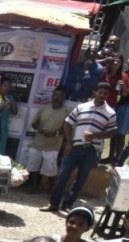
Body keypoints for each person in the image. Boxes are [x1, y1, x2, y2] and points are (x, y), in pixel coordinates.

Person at [43, 82, 116, 213]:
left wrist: (96, 135)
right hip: (75, 147)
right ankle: (53, 203)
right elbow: (67, 124)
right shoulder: (82, 107)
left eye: (105, 93)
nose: (102, 95)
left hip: (93, 150)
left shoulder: (110, 113)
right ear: (95, 92)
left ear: (108, 95)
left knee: (80, 180)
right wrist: (69, 143)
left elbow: (111, 133)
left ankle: (67, 205)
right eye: (100, 92)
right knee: (63, 175)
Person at [25, 87, 72, 194]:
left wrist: (55, 133)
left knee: (50, 169)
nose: (57, 97)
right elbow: (34, 123)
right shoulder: (44, 108)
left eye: (60, 95)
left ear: (64, 97)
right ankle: (33, 187)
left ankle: (53, 191)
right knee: (33, 166)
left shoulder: (67, 111)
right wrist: (39, 128)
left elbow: (68, 128)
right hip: (37, 143)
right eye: (55, 94)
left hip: (53, 145)